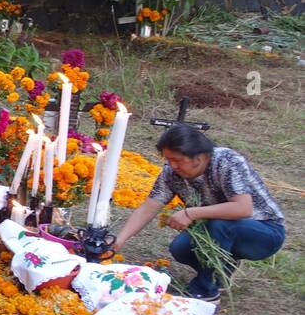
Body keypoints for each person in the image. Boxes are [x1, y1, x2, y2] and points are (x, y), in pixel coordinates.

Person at [106, 124, 285, 302]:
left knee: (219, 225)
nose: (172, 165)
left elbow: (243, 209)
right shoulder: (171, 173)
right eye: (168, 159)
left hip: (265, 231)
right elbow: (149, 206)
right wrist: (119, 240)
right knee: (180, 248)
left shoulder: (226, 161)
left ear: (198, 158)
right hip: (219, 229)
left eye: (177, 160)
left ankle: (206, 291)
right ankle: (221, 272)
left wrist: (191, 213)